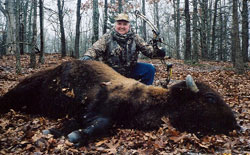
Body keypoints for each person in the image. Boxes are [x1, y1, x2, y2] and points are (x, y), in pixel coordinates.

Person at [80, 13, 165, 85]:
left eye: (125, 24)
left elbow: (149, 52)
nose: (122, 26)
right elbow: (95, 49)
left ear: (129, 26)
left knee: (149, 69)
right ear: (115, 25)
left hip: (131, 70)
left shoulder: (135, 37)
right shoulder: (107, 37)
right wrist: (87, 57)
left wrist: (158, 52)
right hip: (111, 72)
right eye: (119, 24)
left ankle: (143, 94)